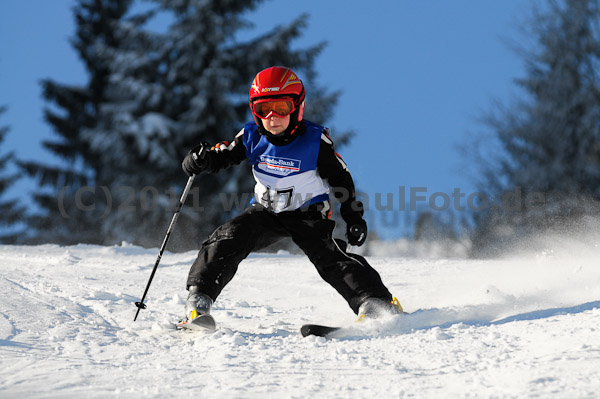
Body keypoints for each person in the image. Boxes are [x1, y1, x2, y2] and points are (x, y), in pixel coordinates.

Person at [181, 66, 402, 323]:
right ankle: (199, 300)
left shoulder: (315, 141)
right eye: (264, 110)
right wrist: (202, 159)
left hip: (307, 214)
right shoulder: (251, 136)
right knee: (228, 238)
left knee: (329, 257)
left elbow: (341, 179)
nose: (273, 117)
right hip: (265, 211)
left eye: (282, 108)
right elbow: (224, 154)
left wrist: (353, 216)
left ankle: (375, 302)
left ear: (297, 107)